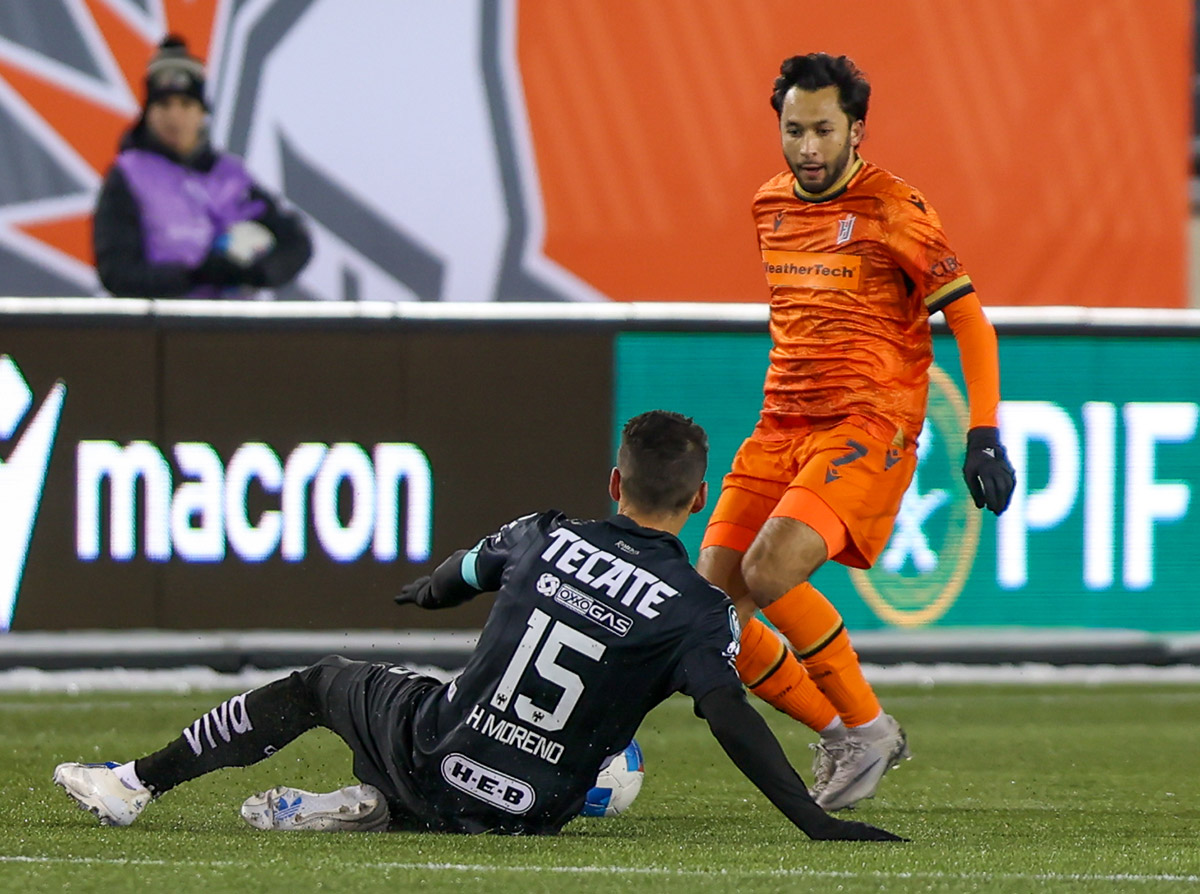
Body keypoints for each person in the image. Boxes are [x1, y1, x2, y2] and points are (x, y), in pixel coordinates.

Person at [52, 411, 902, 841]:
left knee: (326, 684)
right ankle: (374, 805)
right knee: (609, 751)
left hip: (437, 753)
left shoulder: (543, 533)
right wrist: (810, 819)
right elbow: (729, 716)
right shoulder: (697, 611)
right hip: (532, 812)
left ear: (615, 482)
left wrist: (423, 592)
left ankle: (134, 782)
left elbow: (461, 575)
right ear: (699, 500)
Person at [696, 53, 1016, 812]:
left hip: (870, 423)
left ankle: (868, 726)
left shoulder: (895, 208)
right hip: (781, 424)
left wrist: (983, 432)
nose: (807, 147)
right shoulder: (767, 205)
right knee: (705, 614)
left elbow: (968, 319)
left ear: (856, 130)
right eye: (794, 130)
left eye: (823, 131)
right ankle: (848, 731)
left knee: (772, 570)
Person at [92, 35, 311, 298]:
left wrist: (258, 272)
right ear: (148, 113)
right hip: (161, 331)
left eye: (185, 105)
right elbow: (117, 273)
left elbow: (296, 243)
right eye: (163, 104)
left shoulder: (232, 178)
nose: (175, 116)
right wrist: (195, 275)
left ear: (201, 113)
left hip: (231, 331)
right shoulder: (128, 176)